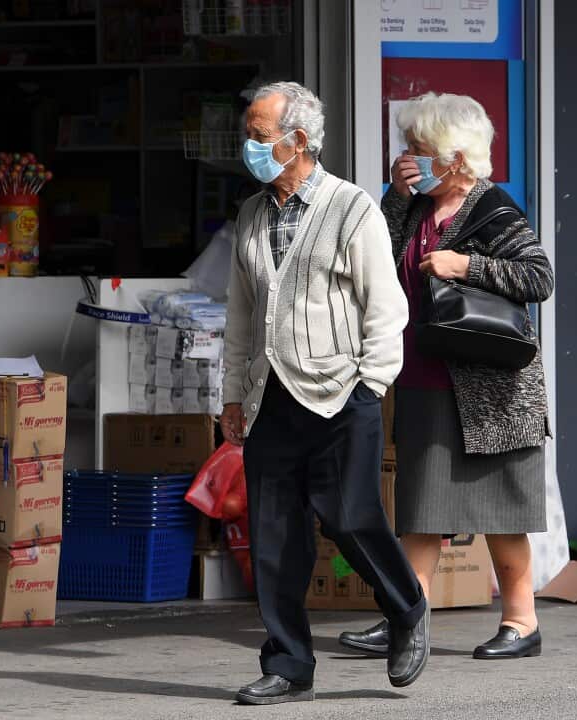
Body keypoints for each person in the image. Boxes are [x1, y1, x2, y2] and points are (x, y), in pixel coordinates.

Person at [220, 81, 428, 706]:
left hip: (341, 392)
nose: (249, 147)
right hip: (269, 397)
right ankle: (288, 663)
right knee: (276, 534)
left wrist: (372, 383)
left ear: (298, 142)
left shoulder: (352, 207)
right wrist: (232, 394)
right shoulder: (253, 213)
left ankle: (407, 608)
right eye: (250, 134)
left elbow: (386, 307)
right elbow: (241, 312)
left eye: (259, 137)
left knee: (351, 517)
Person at [338, 92, 553, 661]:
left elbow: (539, 277)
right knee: (421, 510)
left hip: (493, 392)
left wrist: (466, 265)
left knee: (503, 513)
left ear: (456, 157)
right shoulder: (413, 206)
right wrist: (395, 193)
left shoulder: (491, 209)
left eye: (421, 149)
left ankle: (521, 622)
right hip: (424, 378)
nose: (411, 157)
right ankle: (406, 619)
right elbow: (375, 259)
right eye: (408, 148)